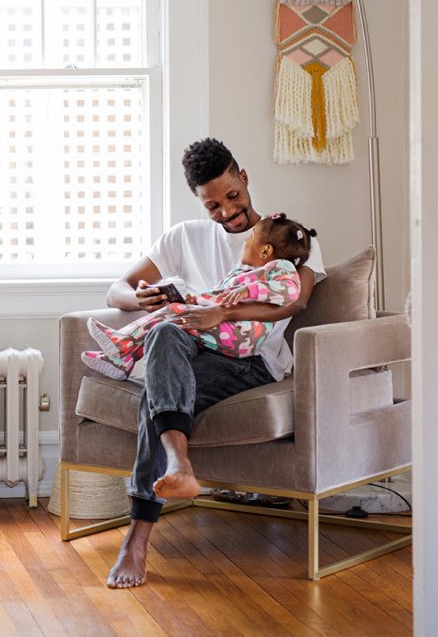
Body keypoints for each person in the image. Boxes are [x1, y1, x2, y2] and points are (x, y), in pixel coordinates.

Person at [101, 138, 324, 589]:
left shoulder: (285, 236)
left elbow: (293, 303)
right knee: (164, 330)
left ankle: (137, 538)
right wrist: (139, 297)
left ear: (245, 179)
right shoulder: (183, 237)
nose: (227, 211)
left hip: (250, 359)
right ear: (199, 202)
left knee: (157, 396)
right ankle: (178, 464)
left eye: (233, 197)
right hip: (192, 346)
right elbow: (116, 289)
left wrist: (224, 313)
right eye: (213, 205)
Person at [83, 213, 317, 381]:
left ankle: (122, 344)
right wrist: (193, 302)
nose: (245, 241)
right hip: (231, 330)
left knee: (171, 316)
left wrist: (247, 291)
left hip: (242, 336)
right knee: (170, 313)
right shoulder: (241, 272)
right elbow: (219, 297)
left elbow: (289, 292)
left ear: (265, 251)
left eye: (251, 237)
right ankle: (123, 356)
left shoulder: (279, 267)